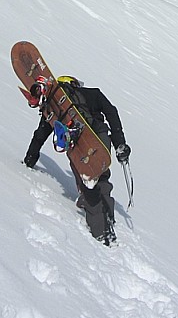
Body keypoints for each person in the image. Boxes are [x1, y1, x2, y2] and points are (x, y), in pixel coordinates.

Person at [23, 76, 131, 245]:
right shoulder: (92, 93)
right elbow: (111, 112)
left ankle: (101, 231)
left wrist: (29, 159)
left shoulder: (58, 107)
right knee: (101, 175)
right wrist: (120, 143)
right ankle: (107, 219)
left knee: (87, 180)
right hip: (99, 136)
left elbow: (40, 135)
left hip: (76, 144)